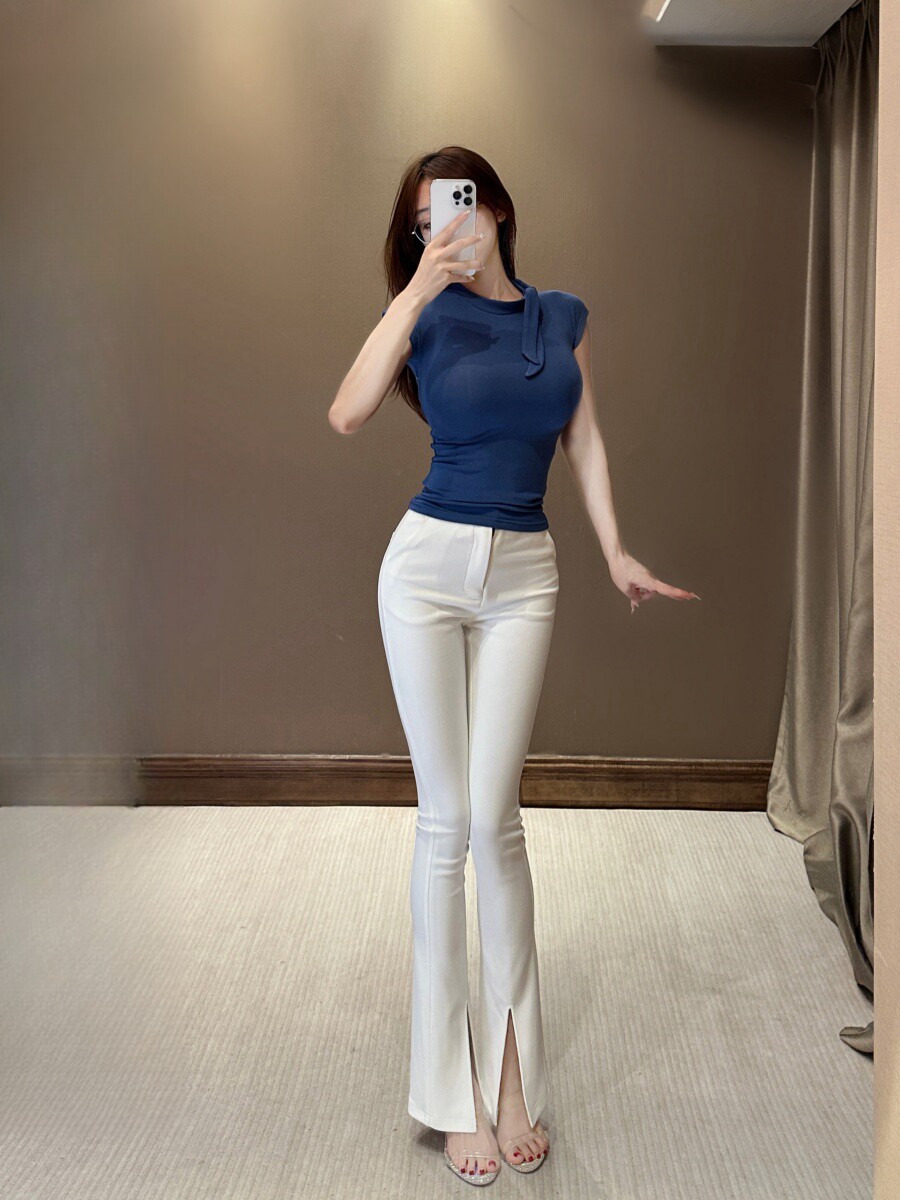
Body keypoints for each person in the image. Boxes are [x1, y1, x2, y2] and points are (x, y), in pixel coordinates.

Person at [329, 147, 699, 1186]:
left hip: (526, 574)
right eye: (421, 222)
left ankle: (509, 1080)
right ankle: (450, 1097)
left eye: (453, 208)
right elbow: (347, 412)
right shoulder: (425, 316)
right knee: (445, 823)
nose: (440, 227)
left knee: (498, 823)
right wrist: (415, 291)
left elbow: (584, 439)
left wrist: (615, 549)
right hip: (426, 571)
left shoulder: (562, 316)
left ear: (494, 207)